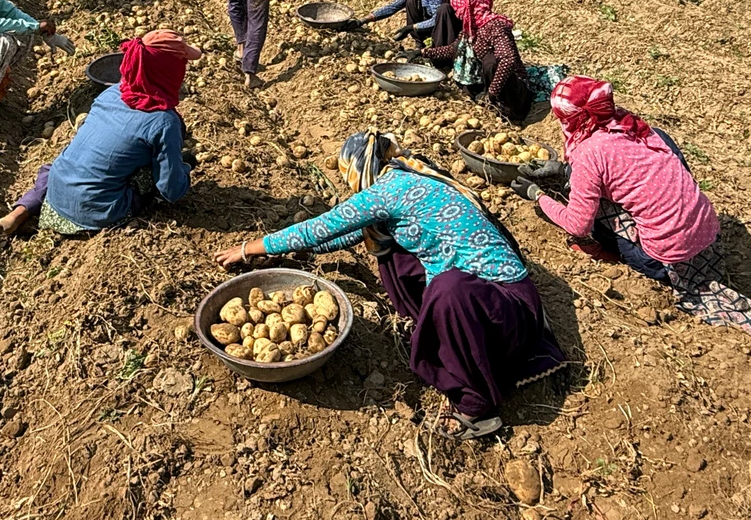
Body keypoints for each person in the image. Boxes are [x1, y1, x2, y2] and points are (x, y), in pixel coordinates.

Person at [215, 130, 566, 441]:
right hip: (491, 300)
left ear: (359, 168)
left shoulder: (388, 191)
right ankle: (438, 326)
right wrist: (288, 254)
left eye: (348, 176)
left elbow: (319, 228)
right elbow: (345, 235)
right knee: (392, 252)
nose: (351, 185)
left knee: (448, 287)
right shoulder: (409, 175)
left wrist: (249, 248)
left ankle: (475, 407)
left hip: (506, 312)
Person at [513, 76, 751, 338]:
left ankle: (624, 253)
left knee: (594, 217)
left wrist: (538, 196)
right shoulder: (635, 126)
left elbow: (578, 225)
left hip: (665, 260)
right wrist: (563, 170)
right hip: (709, 239)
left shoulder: (588, 153)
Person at [0, 30, 201, 238]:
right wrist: (184, 167)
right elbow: (170, 190)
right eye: (181, 65)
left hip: (56, 192)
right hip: (96, 212)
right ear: (170, 72)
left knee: (64, 165)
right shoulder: (164, 122)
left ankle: (19, 213)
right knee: (154, 172)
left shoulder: (112, 93)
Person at [421, 0, 533, 124]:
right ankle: (486, 100)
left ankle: (508, 113)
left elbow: (508, 59)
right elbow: (454, 49)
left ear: (470, 6)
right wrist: (425, 52)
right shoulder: (471, 28)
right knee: (470, 52)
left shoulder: (496, 26)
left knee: (491, 62)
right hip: (488, 84)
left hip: (513, 91)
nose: (458, 14)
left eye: (459, 10)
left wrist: (492, 92)